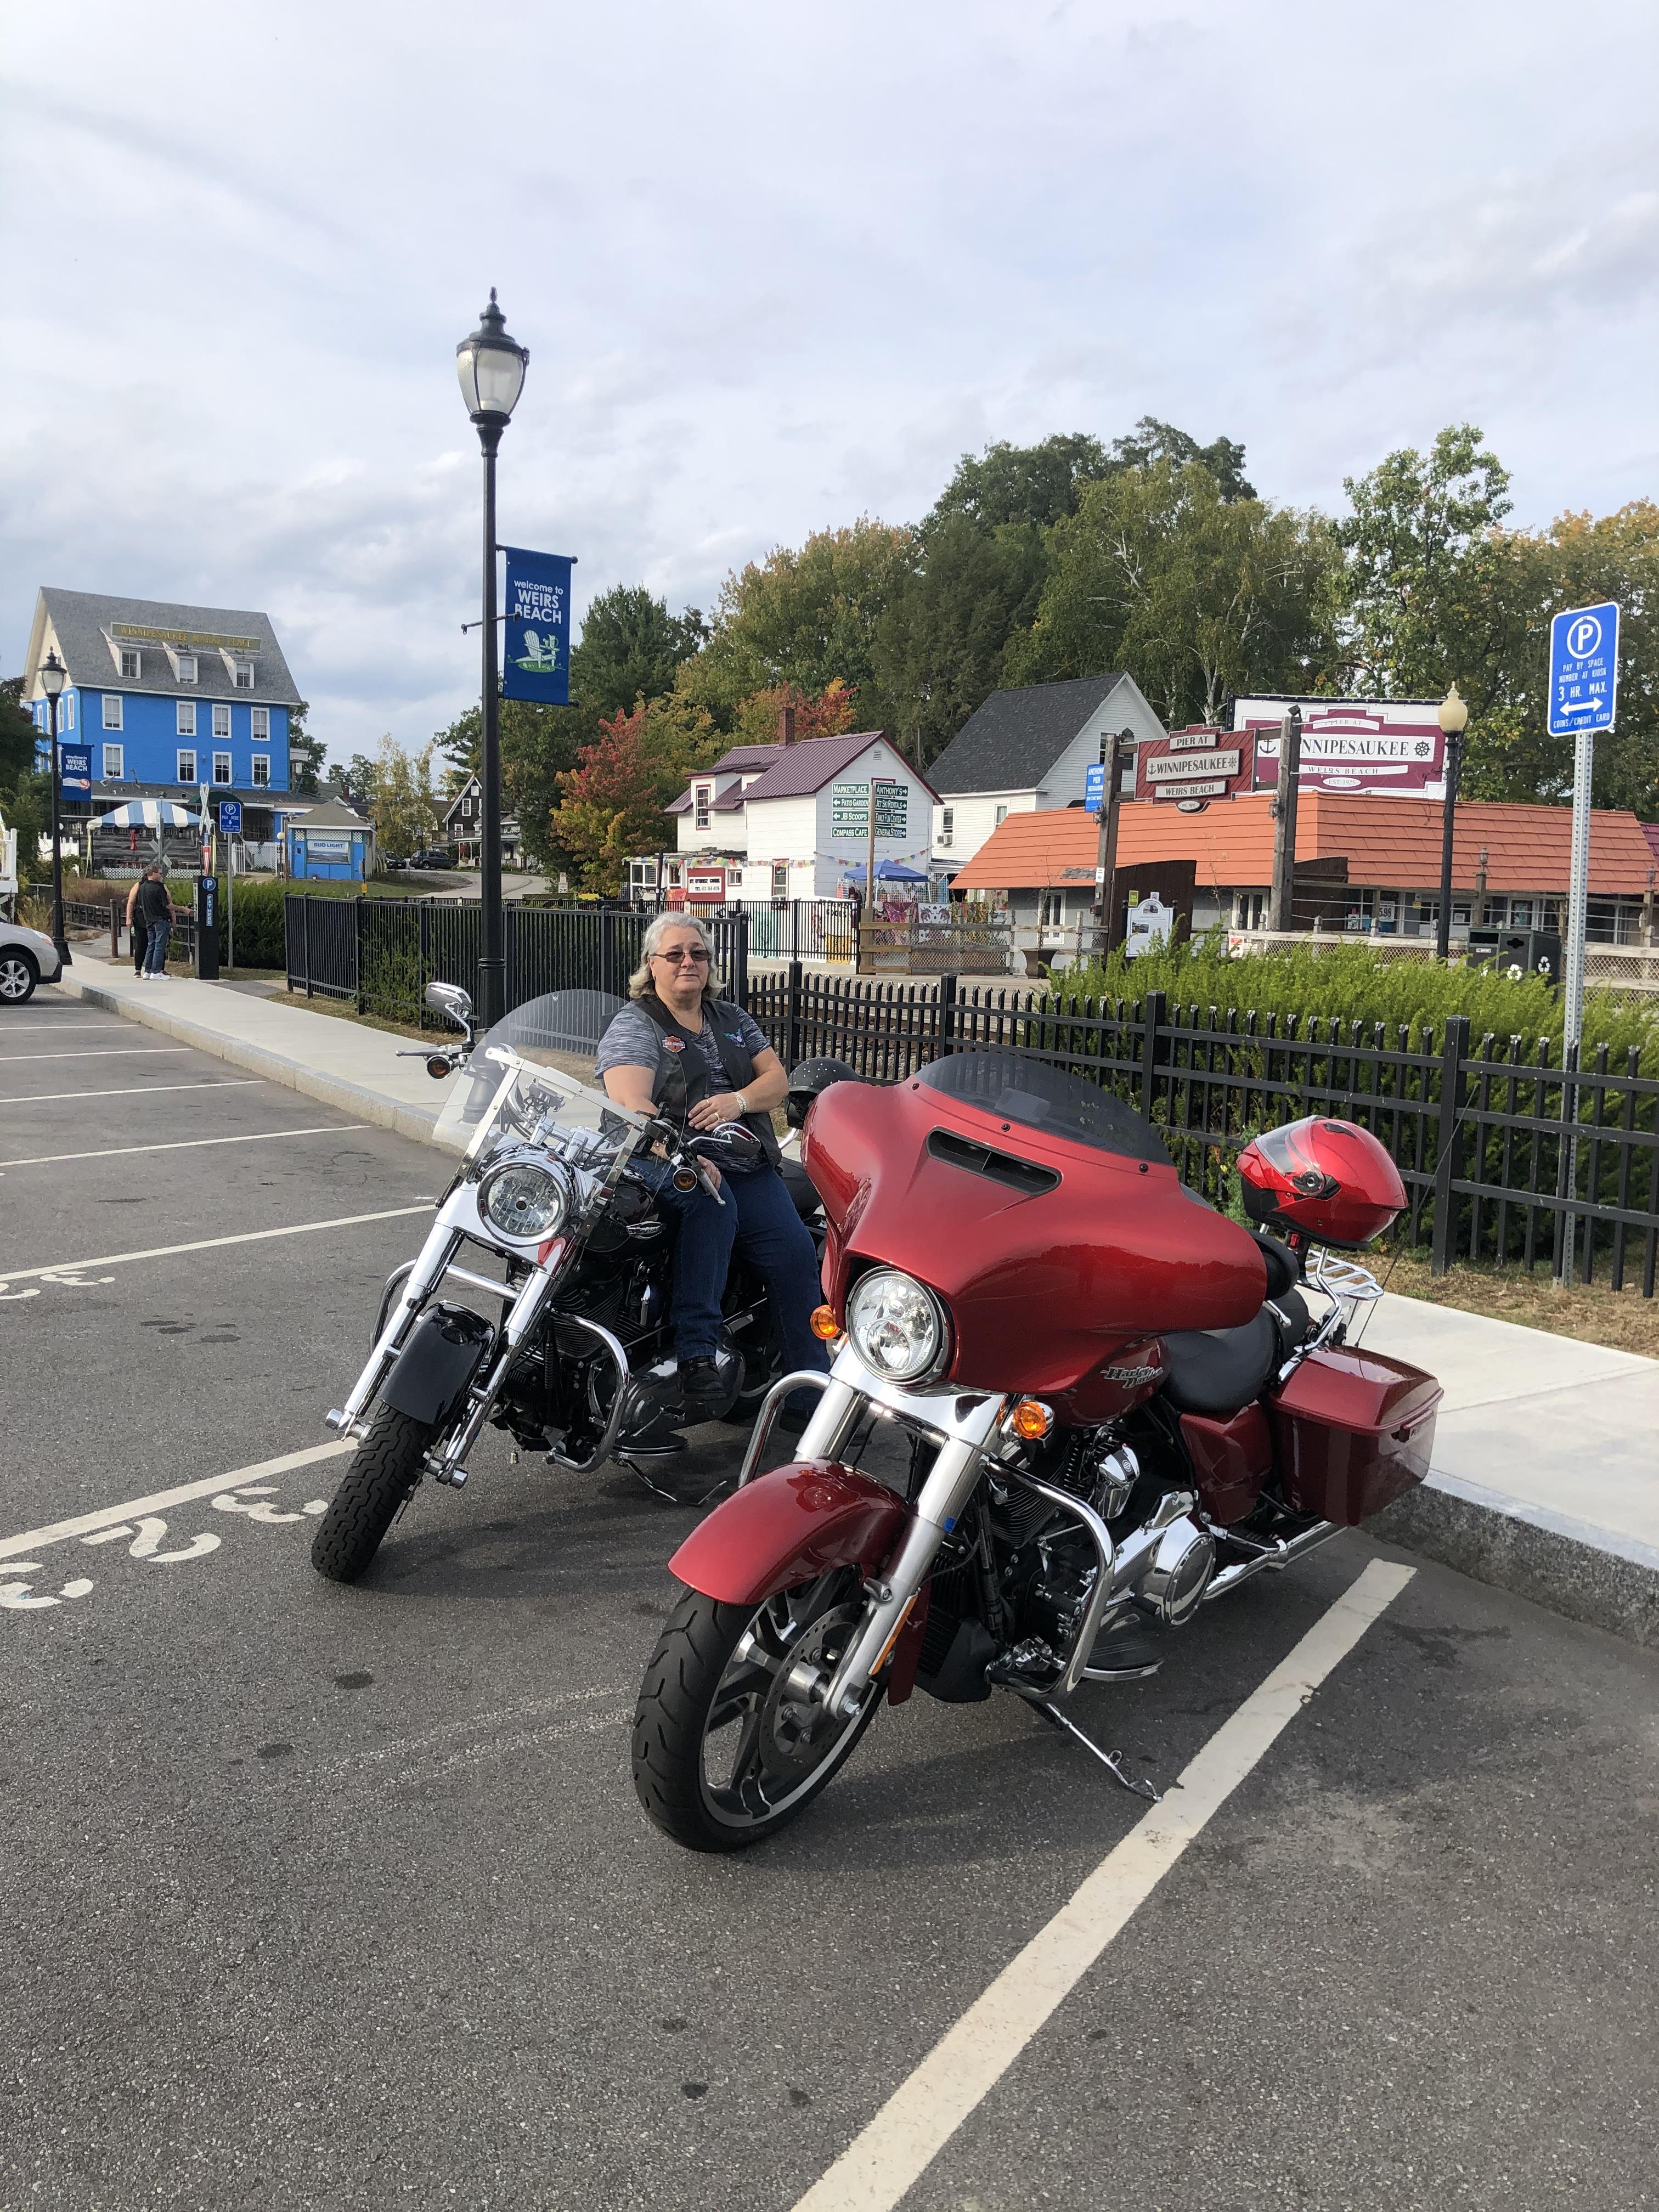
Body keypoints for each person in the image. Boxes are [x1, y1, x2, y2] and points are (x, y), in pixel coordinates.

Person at [596, 914, 829, 1417]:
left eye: (698, 954)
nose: (688, 962)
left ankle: (810, 1403)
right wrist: (682, 1151)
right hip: (659, 1159)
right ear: (651, 964)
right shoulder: (638, 1023)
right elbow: (631, 1101)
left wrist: (738, 1102)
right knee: (709, 1200)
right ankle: (696, 1352)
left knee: (795, 1262)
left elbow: (777, 1080)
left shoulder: (732, 1019)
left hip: (745, 1163)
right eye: (675, 953)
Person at [137, 865, 173, 979]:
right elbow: (167, 905)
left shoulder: (142, 887)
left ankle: (147, 971)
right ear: (153, 873)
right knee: (159, 945)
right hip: (161, 920)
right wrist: (184, 909)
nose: (161, 876)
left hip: (149, 920)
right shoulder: (159, 887)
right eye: (160, 873)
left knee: (151, 945)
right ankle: (156, 972)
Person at [124, 873, 148, 975]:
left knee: (156, 944)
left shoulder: (160, 886)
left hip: (154, 918)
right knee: (141, 944)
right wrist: (128, 918)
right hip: (141, 919)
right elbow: (131, 902)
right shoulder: (138, 885)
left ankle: (156, 968)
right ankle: (138, 968)